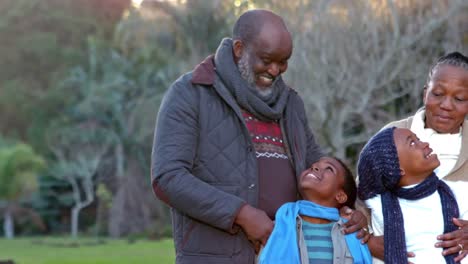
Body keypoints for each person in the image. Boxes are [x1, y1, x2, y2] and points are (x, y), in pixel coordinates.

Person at [151, 9, 367, 264]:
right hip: (215, 256)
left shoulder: (290, 105)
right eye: (266, 60)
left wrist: (351, 209)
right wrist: (241, 214)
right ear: (239, 49)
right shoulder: (191, 94)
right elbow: (168, 178)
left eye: (283, 61)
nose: (275, 70)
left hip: (288, 253)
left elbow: (318, 166)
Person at [364, 52, 468, 262]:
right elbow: (361, 197)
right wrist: (368, 241)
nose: (446, 105)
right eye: (437, 94)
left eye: (459, 99)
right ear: (424, 93)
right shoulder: (393, 134)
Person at [358, 127, 468, 264]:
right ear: (397, 168)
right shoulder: (377, 207)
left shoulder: (459, 192)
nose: (425, 144)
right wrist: (367, 244)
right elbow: (336, 230)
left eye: (418, 139)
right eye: (412, 143)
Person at [259, 157, 372, 264]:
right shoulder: (279, 228)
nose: (315, 168)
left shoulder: (352, 235)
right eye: (313, 166)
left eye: (329, 169)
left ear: (340, 196)